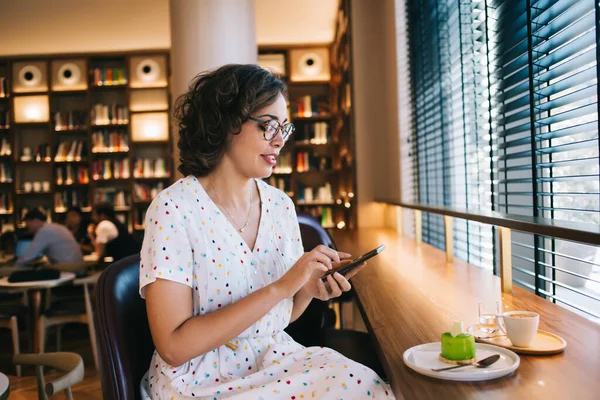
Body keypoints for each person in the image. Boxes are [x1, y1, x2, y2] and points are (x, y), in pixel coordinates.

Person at [140, 64, 393, 399]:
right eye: (268, 126)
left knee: (370, 387)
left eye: (283, 129)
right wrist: (282, 286)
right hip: (199, 379)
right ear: (226, 122)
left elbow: (275, 321)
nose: (279, 141)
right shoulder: (172, 208)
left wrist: (307, 292)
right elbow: (173, 347)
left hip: (271, 359)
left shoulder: (280, 206)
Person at [16, 208, 83, 266]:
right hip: (75, 267)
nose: (28, 229)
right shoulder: (55, 227)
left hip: (69, 269)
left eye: (28, 225)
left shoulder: (44, 231)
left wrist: (13, 269)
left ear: (35, 221)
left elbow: (28, 257)